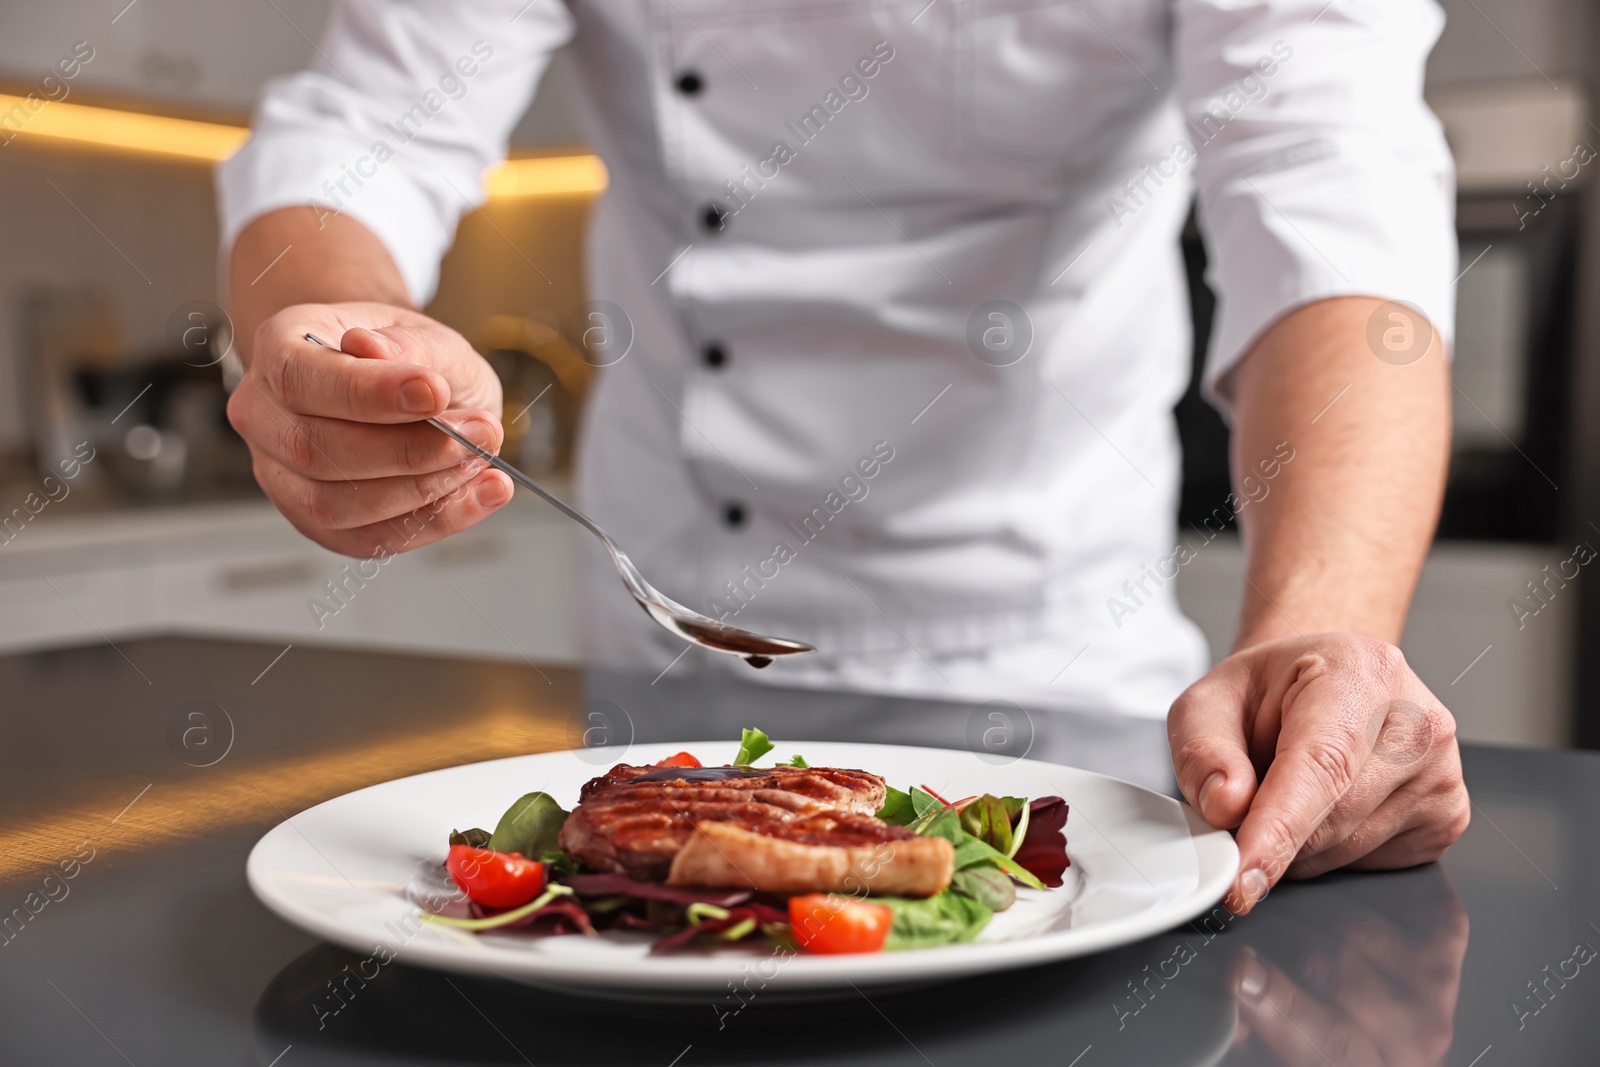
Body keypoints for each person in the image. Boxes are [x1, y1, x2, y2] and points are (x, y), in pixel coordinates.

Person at [217, 0, 1470, 914]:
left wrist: (1321, 633)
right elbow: (365, 128)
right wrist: (345, 337)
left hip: (1063, 669)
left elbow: (1334, 198)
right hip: (669, 655)